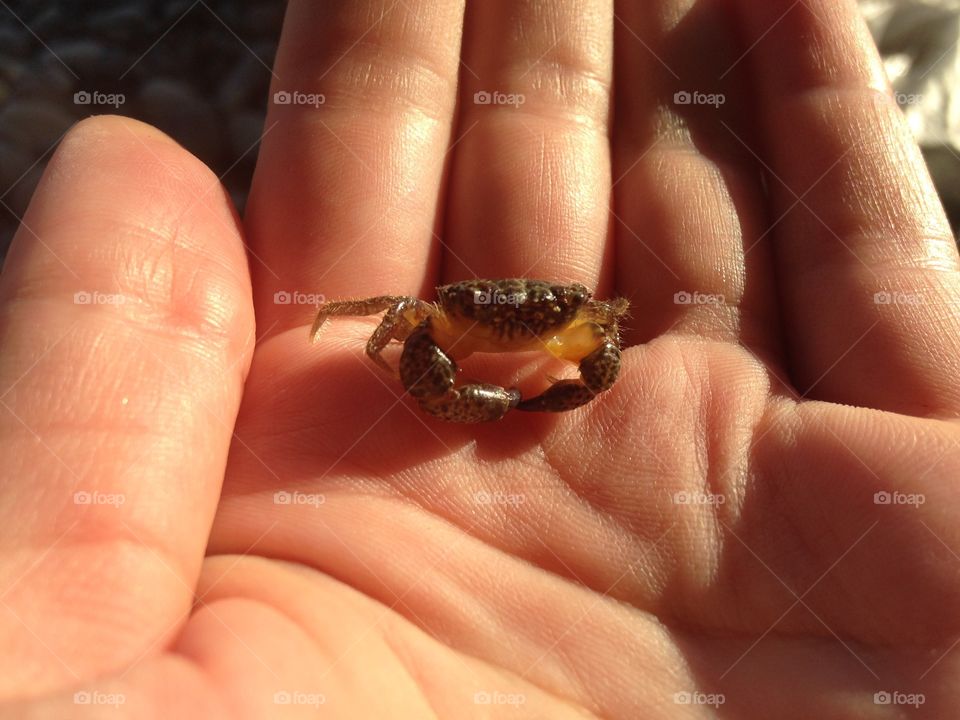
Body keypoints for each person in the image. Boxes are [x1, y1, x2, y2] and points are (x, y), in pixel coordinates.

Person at [1, 0, 957, 716]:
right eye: (497, 310)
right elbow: (387, 327)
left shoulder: (576, 321)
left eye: (543, 312)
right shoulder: (439, 317)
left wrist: (572, 362)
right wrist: (418, 366)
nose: (519, 317)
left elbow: (605, 331)